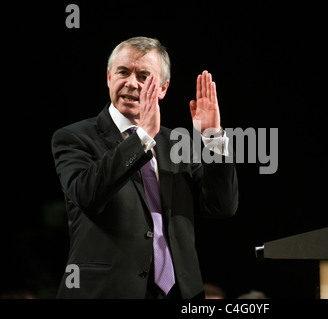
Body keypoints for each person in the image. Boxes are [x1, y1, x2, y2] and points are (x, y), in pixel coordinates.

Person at [51, 36, 238, 299]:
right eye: (123, 72)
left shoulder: (177, 143)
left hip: (179, 292)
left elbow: (221, 206)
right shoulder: (74, 137)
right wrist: (141, 139)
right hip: (108, 291)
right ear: (108, 77)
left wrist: (212, 137)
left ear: (163, 88)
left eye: (143, 76)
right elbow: (87, 194)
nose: (131, 83)